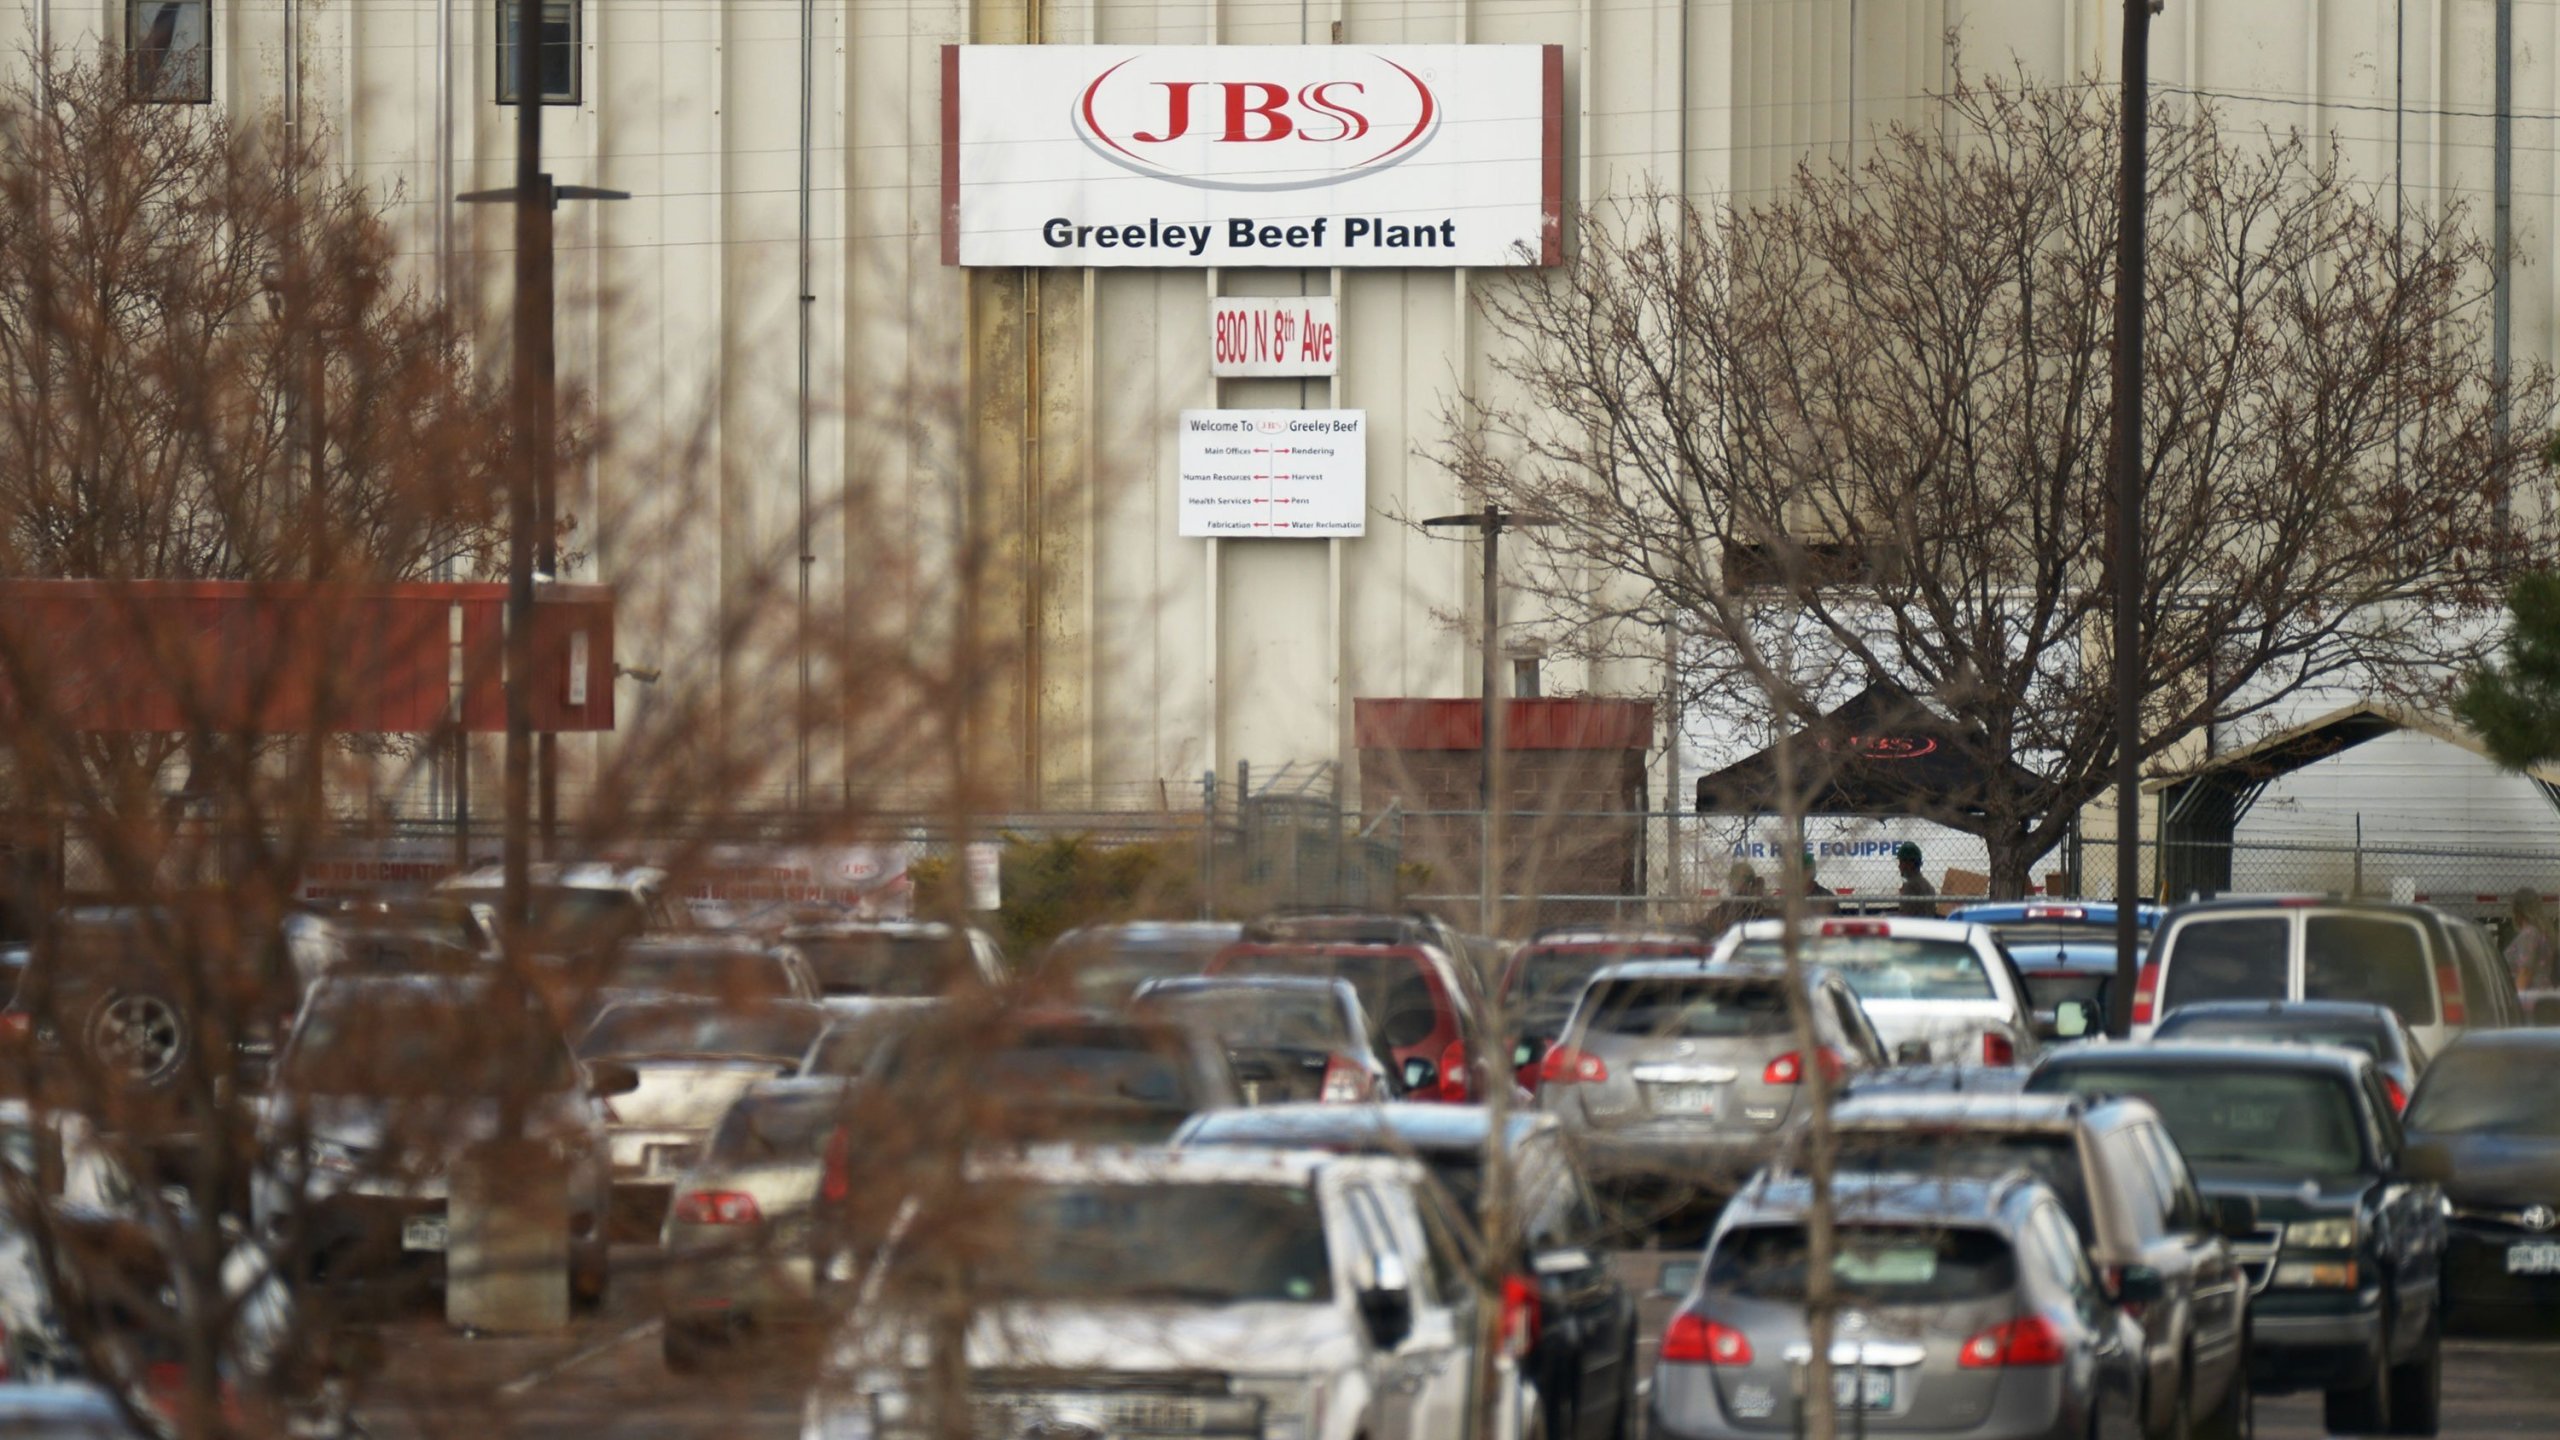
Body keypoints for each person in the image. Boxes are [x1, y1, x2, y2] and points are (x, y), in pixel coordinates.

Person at [2506, 888, 2555, 991]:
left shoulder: (2529, 934)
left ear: (2517, 910)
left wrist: (2516, 1000)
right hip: (2542, 994)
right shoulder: (2542, 933)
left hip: (2530, 998)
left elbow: (2525, 971)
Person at [1896, 842, 1938, 917]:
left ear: (1909, 864)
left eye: (1901, 862)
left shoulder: (1910, 886)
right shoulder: (1927, 885)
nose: (1899, 866)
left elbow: (1905, 916)